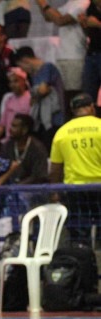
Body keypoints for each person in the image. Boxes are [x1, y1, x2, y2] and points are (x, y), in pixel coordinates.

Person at [49, 93, 101, 244]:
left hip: (75, 190)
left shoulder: (62, 133)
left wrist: (55, 191)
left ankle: (83, 264)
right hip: (100, 187)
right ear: (92, 107)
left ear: (73, 111)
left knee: (79, 234)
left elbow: (55, 169)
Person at [15, 46, 65, 151]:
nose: (24, 71)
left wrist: (35, 94)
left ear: (26, 61)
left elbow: (43, 90)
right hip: (41, 120)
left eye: (22, 67)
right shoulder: (33, 75)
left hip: (54, 119)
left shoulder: (47, 68)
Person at [0, 67, 31, 149]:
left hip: (23, 143)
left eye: (16, 81)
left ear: (23, 81)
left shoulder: (31, 98)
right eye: (10, 82)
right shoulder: (8, 99)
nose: (12, 85)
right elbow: (2, 124)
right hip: (9, 142)